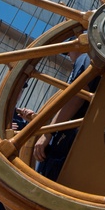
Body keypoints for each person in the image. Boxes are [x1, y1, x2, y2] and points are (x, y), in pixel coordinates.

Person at [33, 51, 96, 181]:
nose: (68, 56)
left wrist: (47, 133)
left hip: (69, 133)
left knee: (49, 179)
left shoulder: (84, 58)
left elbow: (75, 99)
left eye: (68, 52)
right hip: (87, 134)